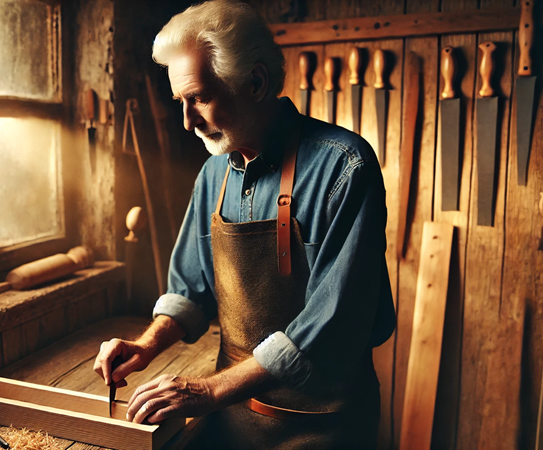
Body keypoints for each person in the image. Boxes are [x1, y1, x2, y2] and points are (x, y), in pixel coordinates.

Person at [93, 1, 395, 448]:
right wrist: (147, 345)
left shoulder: (345, 168)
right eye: (180, 102)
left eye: (198, 98)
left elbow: (331, 326)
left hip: (325, 431)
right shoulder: (214, 172)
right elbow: (190, 287)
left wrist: (208, 388)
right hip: (231, 422)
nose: (187, 120)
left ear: (255, 82)